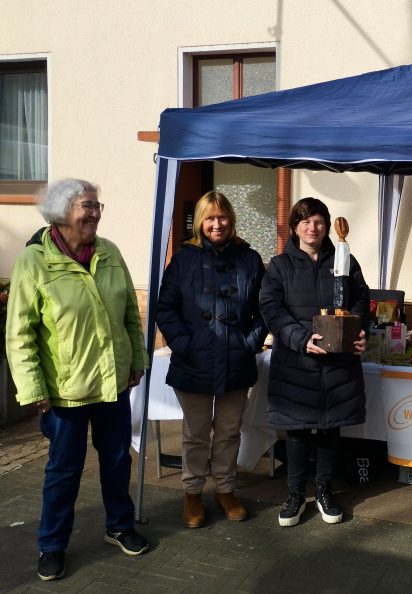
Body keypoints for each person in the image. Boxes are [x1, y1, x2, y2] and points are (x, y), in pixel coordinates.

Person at [5, 178, 150, 581]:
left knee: (118, 459)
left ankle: (119, 525)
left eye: (98, 206)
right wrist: (33, 388)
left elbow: (128, 317)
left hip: (113, 384)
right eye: (87, 205)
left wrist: (136, 360)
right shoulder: (34, 261)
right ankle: (51, 545)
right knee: (64, 470)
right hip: (65, 391)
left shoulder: (110, 253)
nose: (95, 213)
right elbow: (20, 333)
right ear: (61, 210)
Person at [156, 191, 266, 528]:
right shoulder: (183, 260)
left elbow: (265, 310)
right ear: (200, 222)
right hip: (194, 361)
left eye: (222, 217)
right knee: (195, 434)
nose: (216, 224)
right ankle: (192, 494)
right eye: (210, 217)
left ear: (232, 220)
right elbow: (166, 308)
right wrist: (184, 343)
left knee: (230, 433)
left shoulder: (250, 260)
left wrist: (249, 342)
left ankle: (225, 489)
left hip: (236, 359)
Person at [260, 197, 369, 527]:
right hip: (296, 363)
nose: (313, 227)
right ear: (294, 227)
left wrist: (358, 330)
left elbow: (362, 299)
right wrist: (300, 338)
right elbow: (271, 308)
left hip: (337, 362)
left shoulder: (345, 261)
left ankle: (324, 490)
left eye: (319, 221)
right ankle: (294, 494)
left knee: (328, 428)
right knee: (297, 430)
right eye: (305, 221)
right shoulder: (280, 265)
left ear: (327, 227)